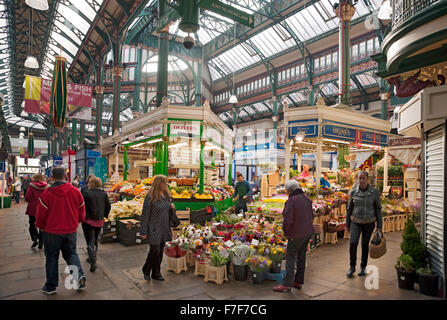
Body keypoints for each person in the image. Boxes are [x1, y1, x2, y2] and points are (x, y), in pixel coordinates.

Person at [36, 167, 86, 295]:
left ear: (52, 177)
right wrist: (77, 221)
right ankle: (78, 277)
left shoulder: (47, 194)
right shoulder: (76, 192)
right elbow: (81, 212)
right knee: (71, 254)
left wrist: (40, 226)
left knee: (52, 257)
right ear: (66, 176)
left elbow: (40, 215)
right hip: (70, 230)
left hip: (51, 232)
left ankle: (51, 286)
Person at [273, 180, 314, 293]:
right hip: (307, 232)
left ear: (289, 190)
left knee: (290, 259)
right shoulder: (307, 198)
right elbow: (312, 215)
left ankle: (287, 284)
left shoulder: (291, 201)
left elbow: (288, 220)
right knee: (301, 258)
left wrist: (286, 233)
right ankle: (298, 282)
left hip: (295, 234)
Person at [346, 171, 382, 278]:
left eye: (363, 178)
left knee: (365, 244)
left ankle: (363, 266)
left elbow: (378, 209)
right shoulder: (353, 192)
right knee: (353, 243)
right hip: (355, 222)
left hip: (369, 222)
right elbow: (349, 208)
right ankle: (352, 266)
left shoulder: (374, 192)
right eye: (359, 178)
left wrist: (379, 226)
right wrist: (347, 224)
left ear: (367, 179)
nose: (361, 180)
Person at [140, 175, 174, 281]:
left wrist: (172, 208)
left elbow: (169, 211)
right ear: (158, 183)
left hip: (164, 227)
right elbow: (145, 215)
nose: (166, 184)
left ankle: (156, 273)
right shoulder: (150, 197)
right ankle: (146, 269)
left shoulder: (166, 195)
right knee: (155, 250)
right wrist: (143, 231)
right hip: (153, 227)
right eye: (164, 182)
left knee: (159, 252)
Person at [81, 176, 111, 272]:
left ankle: (93, 260)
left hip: (88, 221)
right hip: (99, 221)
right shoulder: (103, 194)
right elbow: (108, 206)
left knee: (90, 240)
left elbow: (81, 206)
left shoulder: (86, 193)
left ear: (91, 183)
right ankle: (92, 257)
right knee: (95, 240)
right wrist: (104, 215)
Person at [25, 174, 48, 249]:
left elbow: (28, 197)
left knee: (32, 223)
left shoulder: (31, 186)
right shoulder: (46, 186)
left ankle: (35, 238)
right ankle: (41, 242)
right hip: (43, 208)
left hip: (33, 208)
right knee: (42, 225)